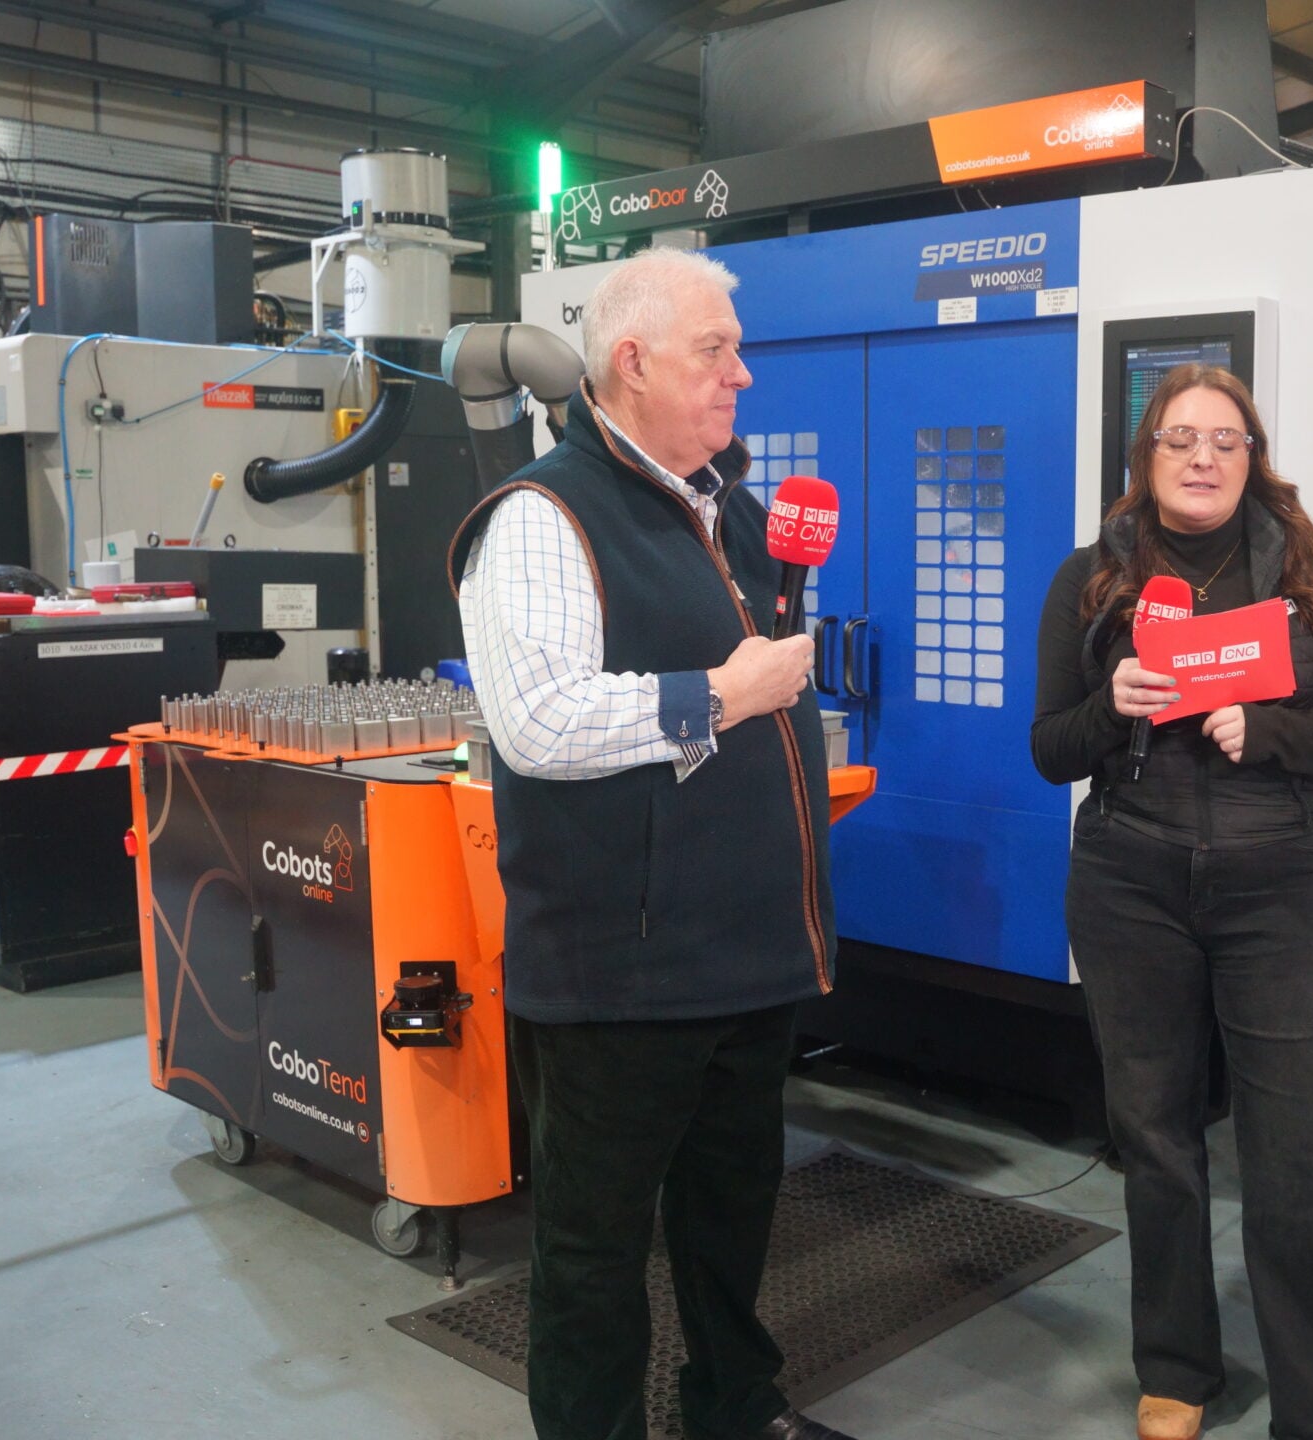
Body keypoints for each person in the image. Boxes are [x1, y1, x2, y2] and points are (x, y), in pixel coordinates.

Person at [449, 248, 854, 1440]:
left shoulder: (732, 511)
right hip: (621, 974)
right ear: (631, 361)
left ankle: (735, 1406)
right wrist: (720, 694)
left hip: (746, 956)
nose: (742, 375)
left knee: (732, 1217)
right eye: (714, 350)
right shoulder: (541, 517)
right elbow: (537, 724)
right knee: (595, 1254)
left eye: (736, 350)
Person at [1031, 363, 1313, 1440]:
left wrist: (1272, 729)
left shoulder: (1311, 575)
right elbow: (1050, 749)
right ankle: (1176, 1368)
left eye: (1225, 440)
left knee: (1305, 1152)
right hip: (1129, 881)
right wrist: (1112, 707)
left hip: (1276, 886)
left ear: (1252, 458)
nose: (1202, 457)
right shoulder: (1090, 580)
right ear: (1146, 456)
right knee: (1155, 1139)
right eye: (1181, 439)